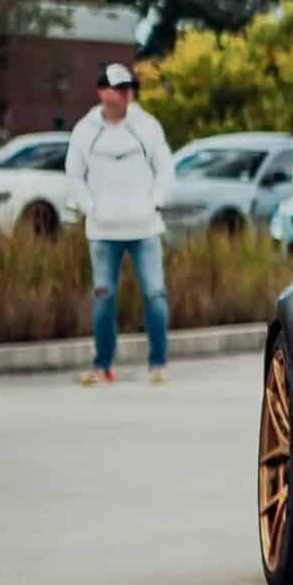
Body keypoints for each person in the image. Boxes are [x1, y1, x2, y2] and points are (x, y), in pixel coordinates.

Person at [63, 63, 175, 386]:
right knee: (103, 297)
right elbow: (74, 175)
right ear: (102, 92)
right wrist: (91, 209)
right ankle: (102, 366)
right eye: (120, 88)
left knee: (154, 294)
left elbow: (165, 169)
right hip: (102, 231)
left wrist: (155, 202)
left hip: (145, 229)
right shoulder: (85, 130)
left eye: (130, 88)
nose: (127, 94)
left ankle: (158, 364)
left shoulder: (147, 126)